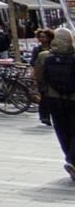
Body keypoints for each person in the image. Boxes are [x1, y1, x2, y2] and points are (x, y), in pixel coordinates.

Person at [33, 25, 75, 181]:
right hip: (73, 100)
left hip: (53, 99)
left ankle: (70, 159)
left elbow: (39, 77)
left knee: (62, 131)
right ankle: (72, 160)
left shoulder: (44, 56)